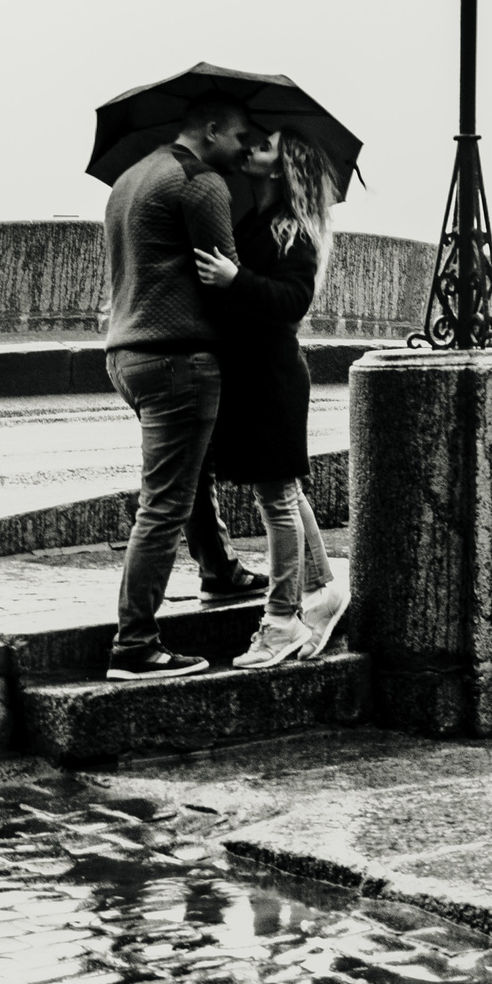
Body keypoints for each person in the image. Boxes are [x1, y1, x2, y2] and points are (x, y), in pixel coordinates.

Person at [102, 96, 269, 680]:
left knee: (188, 477)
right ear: (212, 126)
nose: (247, 148)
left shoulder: (129, 179)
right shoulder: (201, 184)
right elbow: (224, 278)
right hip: (176, 357)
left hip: (127, 353)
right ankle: (135, 645)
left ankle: (219, 568)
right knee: (164, 504)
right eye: (242, 136)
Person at [193, 129, 350, 670]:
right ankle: (322, 589)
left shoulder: (293, 231)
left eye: (263, 146)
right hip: (254, 373)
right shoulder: (255, 220)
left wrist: (235, 280)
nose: (251, 149)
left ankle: (282, 620)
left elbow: (292, 301)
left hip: (272, 376)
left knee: (277, 498)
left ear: (282, 168)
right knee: (282, 488)